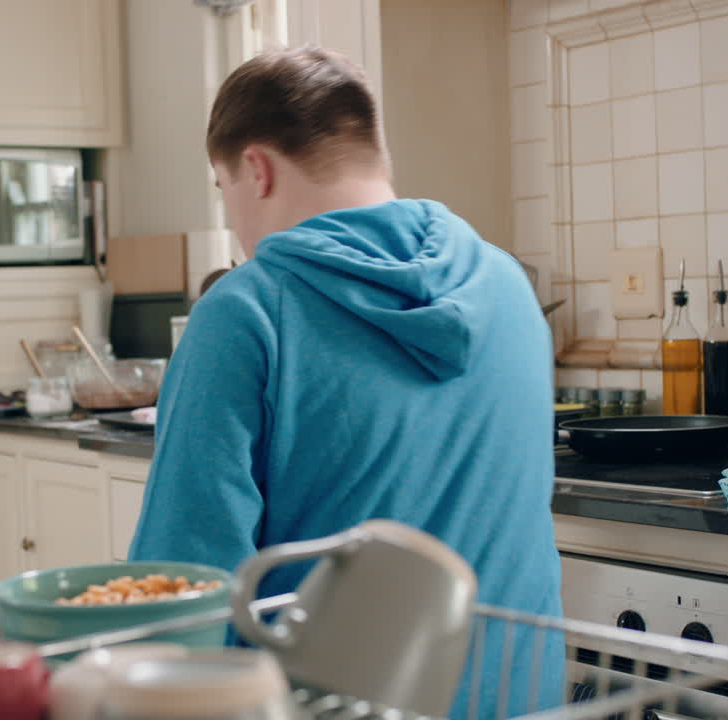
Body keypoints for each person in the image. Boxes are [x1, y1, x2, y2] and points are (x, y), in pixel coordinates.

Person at [127, 47, 563, 716]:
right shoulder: (507, 286)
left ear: (256, 169)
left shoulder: (246, 312)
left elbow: (179, 589)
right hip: (516, 700)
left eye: (223, 192)